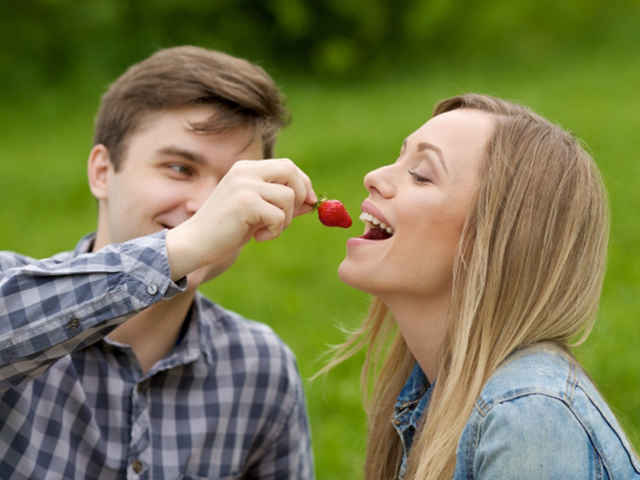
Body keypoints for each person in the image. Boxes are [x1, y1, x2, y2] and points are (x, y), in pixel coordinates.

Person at [0, 46, 316, 479]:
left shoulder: (262, 367)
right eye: (180, 168)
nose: (210, 206)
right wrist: (181, 247)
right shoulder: (11, 288)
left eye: (232, 184)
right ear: (102, 171)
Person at [324, 93, 640, 479]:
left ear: (489, 243)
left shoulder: (528, 415)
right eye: (399, 158)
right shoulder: (431, 396)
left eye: (421, 174)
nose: (373, 176)